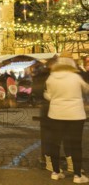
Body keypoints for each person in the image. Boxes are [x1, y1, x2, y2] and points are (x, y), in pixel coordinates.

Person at [45, 53, 89, 183]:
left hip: (56, 114)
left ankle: (56, 172)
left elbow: (48, 96)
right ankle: (77, 175)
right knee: (76, 145)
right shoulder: (76, 77)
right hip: (75, 115)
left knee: (55, 144)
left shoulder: (51, 78)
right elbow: (86, 89)